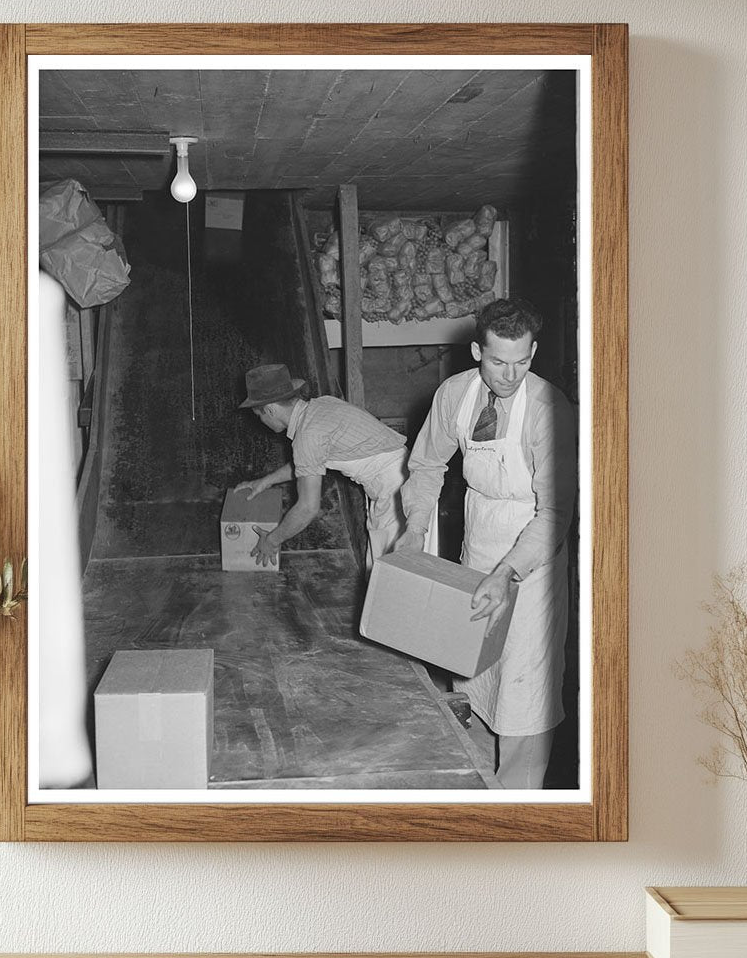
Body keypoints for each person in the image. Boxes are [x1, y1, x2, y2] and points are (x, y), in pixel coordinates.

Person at [396, 298, 576, 790]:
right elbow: (428, 466)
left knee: (526, 687)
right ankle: (476, 788)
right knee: (472, 673)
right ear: (477, 350)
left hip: (531, 560)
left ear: (533, 352)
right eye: (498, 361)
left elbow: (555, 511)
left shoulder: (547, 409)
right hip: (478, 541)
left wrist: (508, 573)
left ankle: (520, 805)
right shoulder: (455, 395)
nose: (510, 374)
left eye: (522, 361)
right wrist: (414, 529)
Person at [235, 363, 408, 569]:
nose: (261, 421)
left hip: (396, 492)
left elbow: (308, 508)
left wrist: (271, 541)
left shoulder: (308, 435)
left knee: (388, 577)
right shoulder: (320, 406)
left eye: (259, 415)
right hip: (401, 476)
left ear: (270, 409)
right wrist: (264, 482)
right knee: (382, 571)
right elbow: (308, 462)